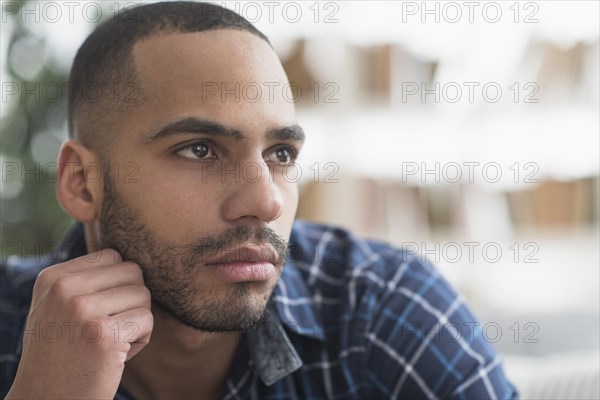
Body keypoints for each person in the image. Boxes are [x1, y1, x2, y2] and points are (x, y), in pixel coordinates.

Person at [1, 2, 518, 399]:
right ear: (83, 183)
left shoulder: (382, 308)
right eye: (200, 150)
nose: (265, 202)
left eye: (281, 153)